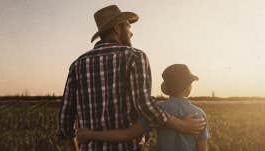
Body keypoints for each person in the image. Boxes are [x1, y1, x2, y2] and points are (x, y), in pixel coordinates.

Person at [58, 5, 206, 151]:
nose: (131, 33)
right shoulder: (135, 57)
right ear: (117, 28)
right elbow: (144, 105)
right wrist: (182, 125)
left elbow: (65, 121)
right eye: (128, 26)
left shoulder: (77, 65)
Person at [78, 64, 210, 151]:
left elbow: (128, 134)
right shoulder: (199, 114)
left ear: (167, 89)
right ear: (188, 89)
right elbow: (202, 148)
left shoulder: (156, 110)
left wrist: (90, 134)